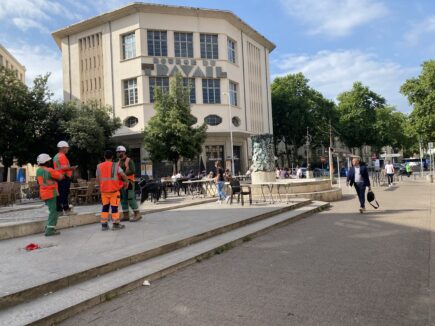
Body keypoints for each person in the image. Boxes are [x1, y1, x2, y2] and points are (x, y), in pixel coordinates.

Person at [96, 150, 128, 231]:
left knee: (105, 207)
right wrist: (126, 182)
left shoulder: (99, 166)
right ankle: (116, 224)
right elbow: (123, 175)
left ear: (104, 157)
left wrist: (101, 187)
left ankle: (104, 225)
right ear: (112, 157)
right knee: (114, 208)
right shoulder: (116, 166)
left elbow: (97, 179)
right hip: (114, 191)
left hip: (104, 191)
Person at [36, 153, 64, 236]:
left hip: (44, 193)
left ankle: (49, 227)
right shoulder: (49, 170)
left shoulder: (38, 170)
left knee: (53, 210)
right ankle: (50, 230)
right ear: (46, 161)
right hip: (51, 193)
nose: (50, 162)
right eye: (49, 161)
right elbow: (60, 177)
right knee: (54, 211)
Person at [116, 145, 141, 222]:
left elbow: (133, 170)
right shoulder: (118, 162)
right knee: (123, 199)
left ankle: (137, 214)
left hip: (129, 182)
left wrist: (122, 173)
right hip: (121, 183)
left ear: (124, 152)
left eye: (119, 152)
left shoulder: (129, 160)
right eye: (117, 152)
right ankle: (126, 215)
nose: (118, 153)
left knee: (130, 198)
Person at [53, 141, 77, 216]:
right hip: (64, 177)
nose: (67, 149)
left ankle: (59, 210)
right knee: (64, 194)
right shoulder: (62, 156)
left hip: (58, 177)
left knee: (59, 195)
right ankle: (66, 210)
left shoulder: (56, 156)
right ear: (62, 148)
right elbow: (64, 168)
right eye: (66, 148)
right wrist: (72, 168)